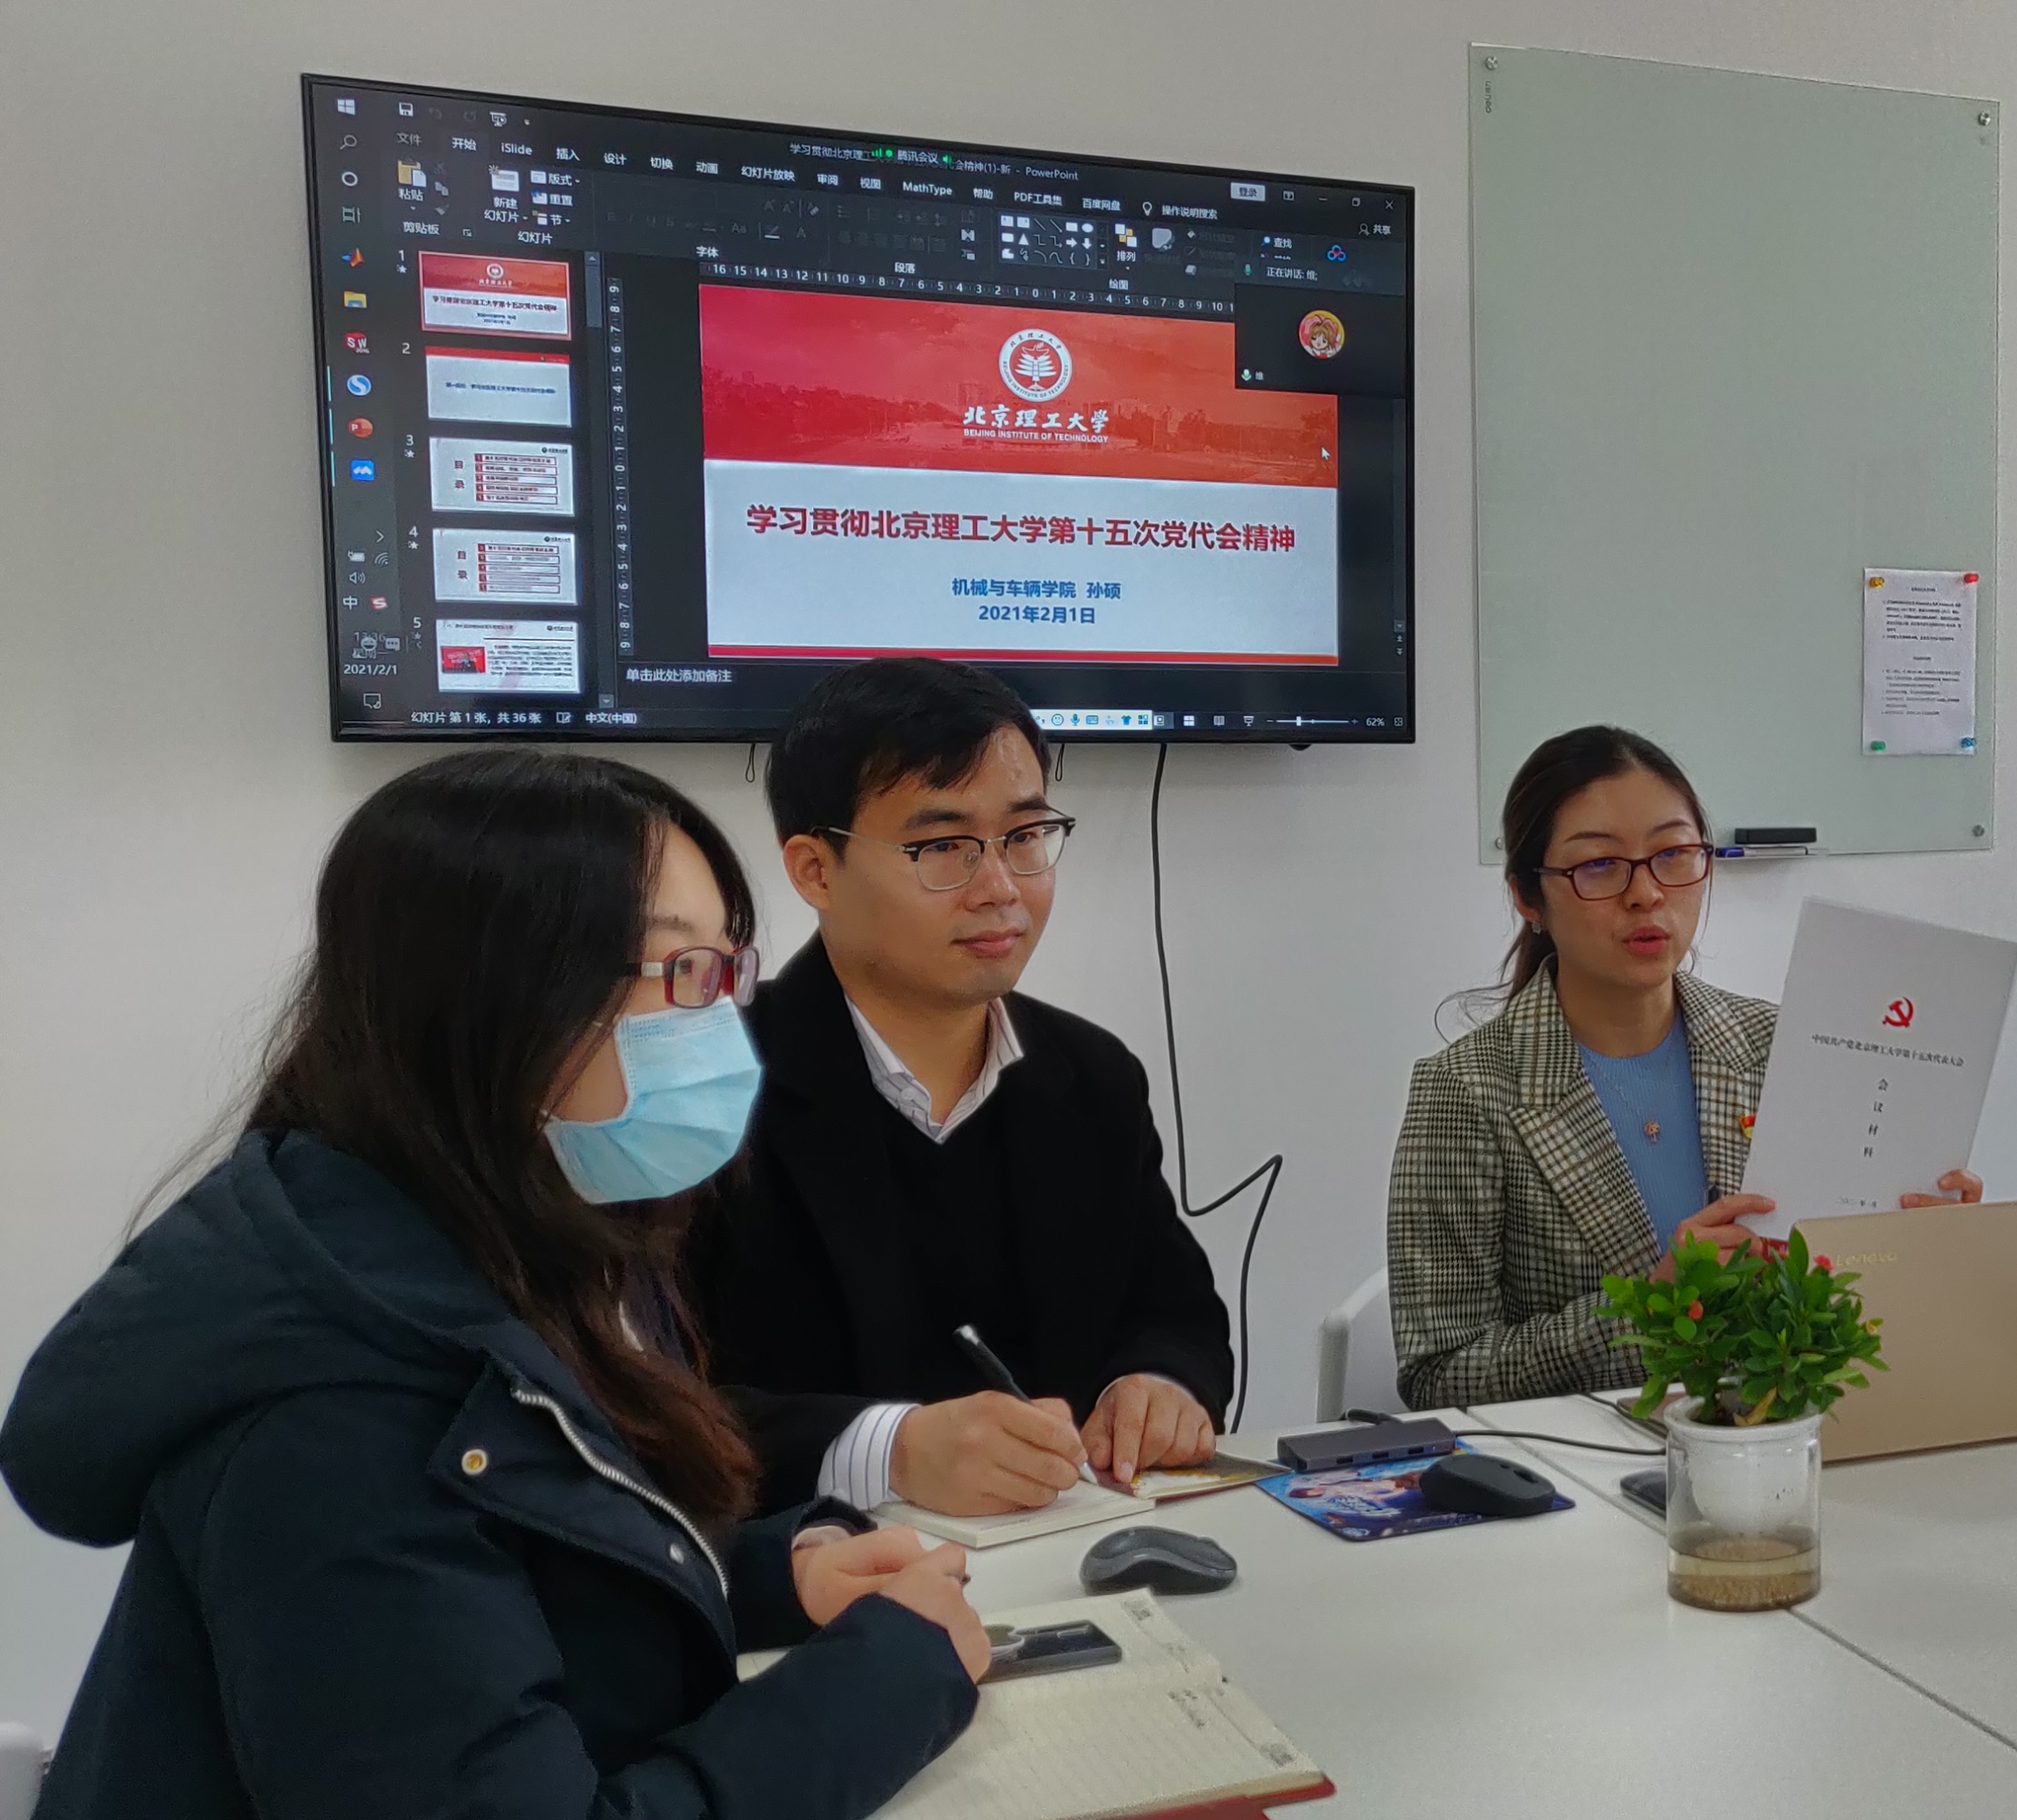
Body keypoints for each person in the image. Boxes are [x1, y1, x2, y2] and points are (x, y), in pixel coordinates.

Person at [0, 752, 989, 1817]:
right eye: (680, 971)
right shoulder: (337, 1411)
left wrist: (770, 1576)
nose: (715, 1021)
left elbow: (521, 1582)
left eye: (723, 969)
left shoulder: (504, 1242)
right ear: (498, 999)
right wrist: (890, 1679)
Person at [687, 657, 1232, 1515]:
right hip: (811, 1563)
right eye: (942, 846)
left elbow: (1177, 1312)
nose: (1001, 888)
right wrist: (889, 1450)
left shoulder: (1092, 1076)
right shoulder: (708, 1088)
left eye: (1025, 836)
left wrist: (1160, 1382)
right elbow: (647, 1399)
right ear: (816, 869)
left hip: (1076, 1549)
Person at [1387, 725, 1979, 1408]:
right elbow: (1438, 1376)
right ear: (1528, 895)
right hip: (1589, 1462)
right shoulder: (1468, 1091)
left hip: (1782, 1436)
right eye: (1599, 866)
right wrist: (1648, 1306)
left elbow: (1839, 1308)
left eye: (1672, 854)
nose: (1646, 893)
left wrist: (1921, 1247)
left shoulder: (1782, 1049)